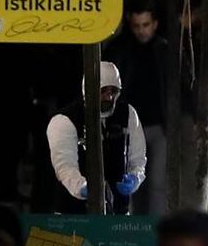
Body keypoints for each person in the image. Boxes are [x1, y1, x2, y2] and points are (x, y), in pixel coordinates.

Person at [47, 61, 147, 214]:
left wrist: (134, 179)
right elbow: (65, 167)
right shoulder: (65, 121)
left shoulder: (128, 115)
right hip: (73, 214)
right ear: (89, 91)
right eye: (103, 91)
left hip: (117, 213)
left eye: (113, 91)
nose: (109, 97)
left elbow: (138, 158)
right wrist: (84, 188)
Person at [103, 0, 169, 215]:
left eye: (145, 25)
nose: (141, 31)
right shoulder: (121, 49)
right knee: (129, 181)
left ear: (155, 24)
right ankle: (132, 227)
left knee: (156, 183)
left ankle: (154, 231)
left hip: (157, 125)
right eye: (137, 26)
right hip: (129, 126)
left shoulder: (163, 50)